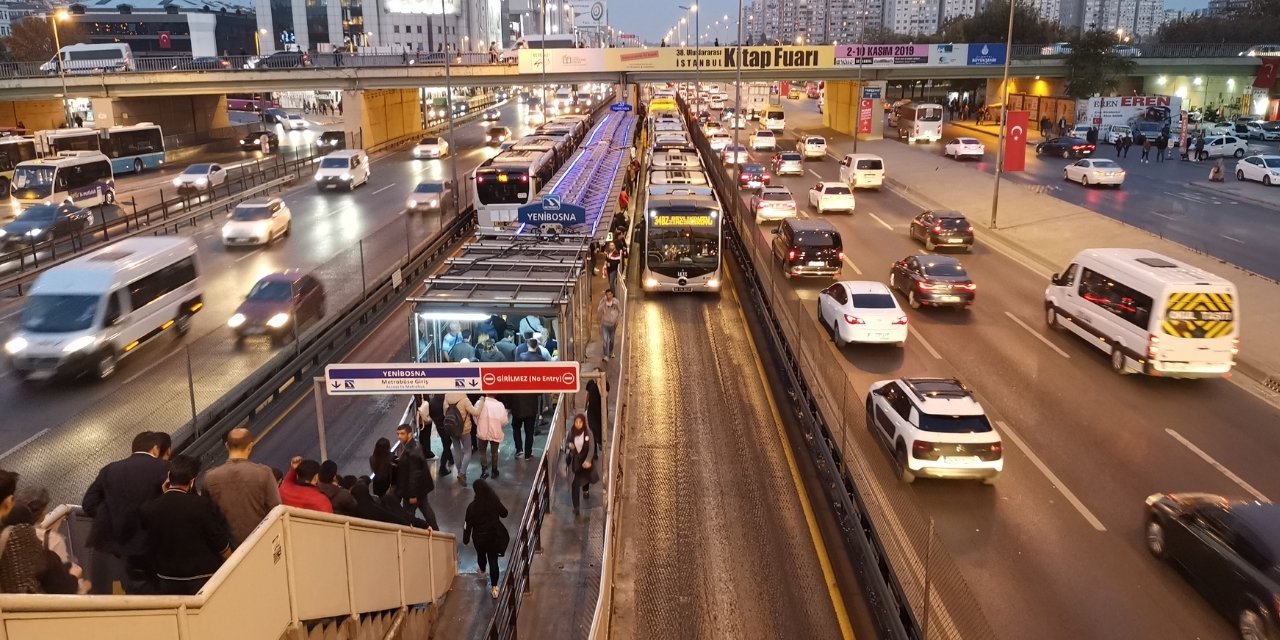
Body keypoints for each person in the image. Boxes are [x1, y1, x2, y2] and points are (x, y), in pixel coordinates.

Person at [82, 431, 170, 594]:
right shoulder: (165, 468)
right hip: (154, 541)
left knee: (131, 585)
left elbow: (89, 503)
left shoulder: (110, 470)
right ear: (156, 449)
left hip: (122, 543)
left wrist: (114, 514)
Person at [140, 455, 232, 596]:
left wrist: (166, 494)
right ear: (192, 482)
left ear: (169, 477)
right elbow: (217, 539)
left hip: (167, 577)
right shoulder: (202, 505)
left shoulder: (150, 509)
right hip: (202, 575)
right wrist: (230, 558)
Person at [203, 428, 280, 547]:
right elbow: (276, 509)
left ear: (227, 446)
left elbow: (208, 516)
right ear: (250, 446)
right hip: (259, 543)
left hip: (226, 548)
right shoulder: (264, 473)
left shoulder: (210, 477)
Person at [17, 486, 90, 593]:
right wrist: (78, 580)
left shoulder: (9, 535)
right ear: (43, 511)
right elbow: (61, 582)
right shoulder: (51, 539)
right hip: (45, 600)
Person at [462, 479, 509, 599]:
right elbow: (504, 513)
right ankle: (494, 588)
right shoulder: (493, 501)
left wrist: (466, 539)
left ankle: (482, 569)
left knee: (481, 555)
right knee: (493, 561)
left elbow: (467, 524)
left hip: (479, 538)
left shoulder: (472, 507)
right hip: (493, 536)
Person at [394, 424, 438, 529]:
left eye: (402, 434)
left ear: (409, 435)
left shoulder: (411, 451)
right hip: (421, 488)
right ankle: (435, 529)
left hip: (412, 491)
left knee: (408, 515)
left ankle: (411, 533)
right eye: (398, 434)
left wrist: (412, 495)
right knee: (425, 508)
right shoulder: (415, 446)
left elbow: (414, 474)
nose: (399, 436)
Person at [443, 392, 483, 485]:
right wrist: (481, 400)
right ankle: (462, 473)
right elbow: (476, 412)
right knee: (467, 451)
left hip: (452, 429)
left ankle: (460, 472)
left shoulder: (447, 397)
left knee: (456, 450)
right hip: (464, 430)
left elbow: (445, 413)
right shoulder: (464, 399)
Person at [564, 414, 600, 516]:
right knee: (575, 484)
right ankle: (576, 507)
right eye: (576, 422)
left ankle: (586, 490)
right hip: (577, 463)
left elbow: (591, 448)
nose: (578, 424)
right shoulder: (572, 432)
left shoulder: (588, 432)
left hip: (586, 463)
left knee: (586, 478)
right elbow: (567, 443)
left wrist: (588, 460)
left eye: (580, 422)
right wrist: (569, 445)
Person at [475, 392, 508, 480]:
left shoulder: (479, 403)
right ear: (496, 393)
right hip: (495, 432)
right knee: (494, 452)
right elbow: (504, 421)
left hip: (482, 431)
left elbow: (474, 415)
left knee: (482, 451)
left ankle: (484, 470)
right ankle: (494, 470)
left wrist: (479, 424)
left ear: (485, 392)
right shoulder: (500, 405)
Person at [598, 288, 621, 361]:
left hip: (613, 324)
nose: (609, 296)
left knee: (612, 340)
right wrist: (603, 302)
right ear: (605, 295)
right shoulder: (603, 302)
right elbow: (599, 310)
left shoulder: (616, 302)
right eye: (607, 294)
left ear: (612, 295)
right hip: (605, 324)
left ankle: (611, 351)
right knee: (605, 340)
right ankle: (606, 355)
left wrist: (618, 320)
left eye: (610, 294)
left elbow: (620, 311)